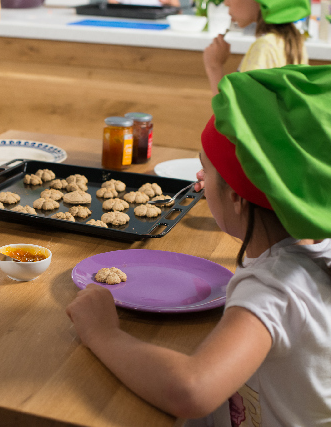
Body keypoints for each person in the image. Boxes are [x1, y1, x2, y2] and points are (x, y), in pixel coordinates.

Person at [66, 64, 331, 425]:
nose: (199, 179)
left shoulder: (274, 286)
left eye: (207, 169)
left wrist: (102, 333)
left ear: (237, 195)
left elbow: (191, 391)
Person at [203, 0, 309, 95]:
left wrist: (214, 67)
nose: (226, 3)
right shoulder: (293, 42)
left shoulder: (264, 47)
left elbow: (239, 113)